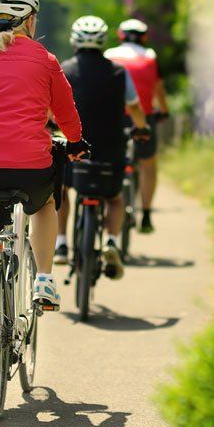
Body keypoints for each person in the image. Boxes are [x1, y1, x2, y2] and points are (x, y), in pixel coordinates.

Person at [0, 0, 88, 380]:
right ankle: (43, 279)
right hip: (30, 166)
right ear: (30, 20)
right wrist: (76, 142)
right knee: (45, 205)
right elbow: (65, 110)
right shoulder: (45, 59)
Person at [54, 16, 152, 276]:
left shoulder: (65, 70)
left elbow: (52, 106)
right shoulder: (119, 72)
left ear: (74, 41)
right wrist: (142, 128)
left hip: (74, 147)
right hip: (110, 147)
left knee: (61, 190)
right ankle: (111, 241)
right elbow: (134, 107)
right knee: (115, 197)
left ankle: (61, 244)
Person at [104, 18, 170, 233]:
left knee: (109, 159)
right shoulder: (150, 56)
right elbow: (158, 88)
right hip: (142, 116)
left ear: (121, 36)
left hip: (114, 116)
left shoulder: (109, 55)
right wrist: (164, 110)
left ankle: (105, 207)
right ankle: (147, 214)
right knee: (148, 163)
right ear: (144, 37)